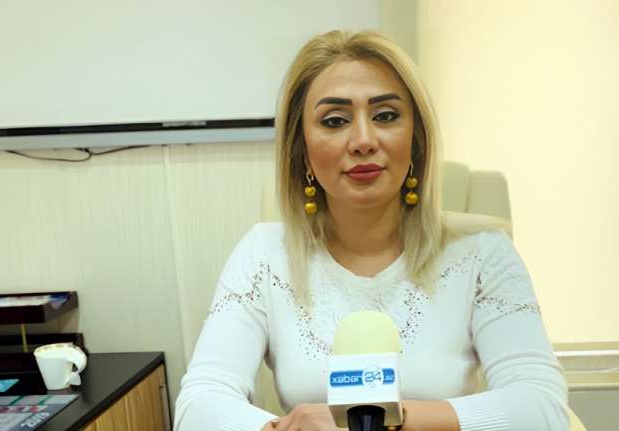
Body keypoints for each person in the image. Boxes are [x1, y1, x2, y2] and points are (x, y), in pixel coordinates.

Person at [174, 30, 569, 431]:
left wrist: (385, 420)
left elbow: (542, 408)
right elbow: (199, 406)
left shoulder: (483, 253)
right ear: (302, 150)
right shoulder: (263, 255)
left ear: (416, 140)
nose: (363, 141)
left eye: (385, 116)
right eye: (335, 121)